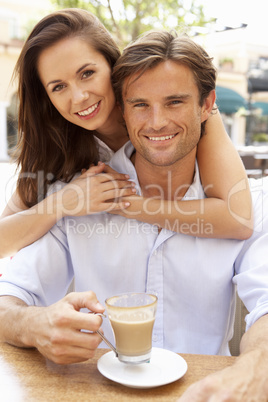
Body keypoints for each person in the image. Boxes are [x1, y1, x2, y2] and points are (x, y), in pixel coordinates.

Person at [0, 29, 268, 401]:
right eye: (140, 104)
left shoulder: (245, 201)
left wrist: (258, 367)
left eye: (174, 102)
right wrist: (34, 325)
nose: (157, 121)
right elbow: (8, 295)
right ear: (122, 106)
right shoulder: (80, 194)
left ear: (207, 106)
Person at [0, 8, 253, 260]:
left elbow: (238, 218)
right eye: (59, 87)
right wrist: (64, 202)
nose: (78, 97)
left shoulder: (185, 115)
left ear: (112, 65)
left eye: (87, 73)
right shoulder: (57, 145)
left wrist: (126, 204)